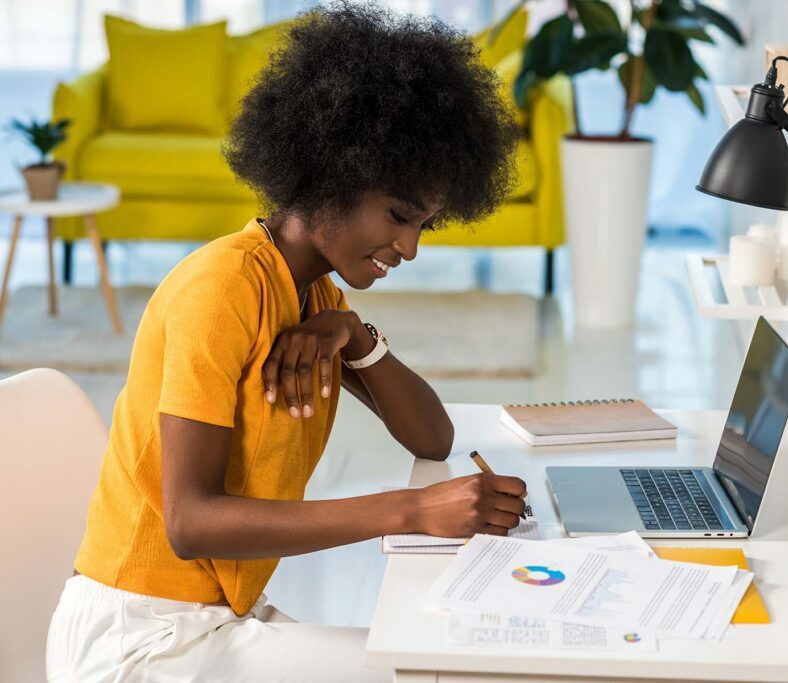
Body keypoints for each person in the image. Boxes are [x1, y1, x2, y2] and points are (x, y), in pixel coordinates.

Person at [45, 3, 522, 680]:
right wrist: (413, 510)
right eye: (399, 215)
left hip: (216, 618)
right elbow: (191, 521)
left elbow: (432, 437)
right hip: (140, 637)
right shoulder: (223, 287)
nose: (410, 247)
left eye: (425, 226)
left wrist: (355, 335)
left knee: (426, 658)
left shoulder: (316, 295)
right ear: (332, 172)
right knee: (424, 670)